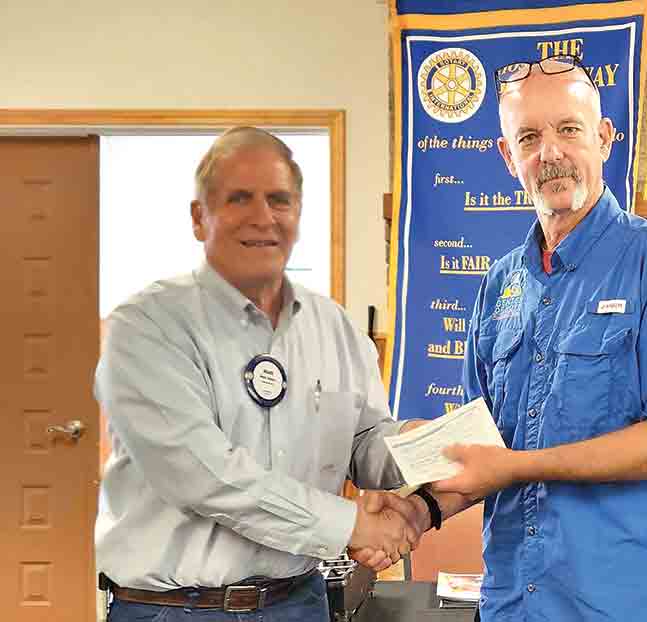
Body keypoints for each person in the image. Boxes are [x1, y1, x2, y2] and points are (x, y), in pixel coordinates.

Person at [426, 56, 647, 622]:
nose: (550, 153)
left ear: (604, 137)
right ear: (507, 156)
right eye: (528, 137)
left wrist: (518, 466)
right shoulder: (499, 285)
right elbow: (485, 448)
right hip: (513, 604)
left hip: (631, 608)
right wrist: (409, 510)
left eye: (569, 129)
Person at [94, 127, 433, 621]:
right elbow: (205, 474)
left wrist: (430, 449)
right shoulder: (146, 327)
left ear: (297, 215)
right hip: (177, 610)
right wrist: (355, 527)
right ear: (198, 217)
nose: (262, 217)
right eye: (239, 199)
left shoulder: (333, 326)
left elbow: (365, 443)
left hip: (299, 601)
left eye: (279, 200)